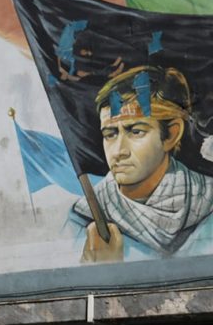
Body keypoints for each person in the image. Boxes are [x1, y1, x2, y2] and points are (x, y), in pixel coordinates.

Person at [71, 65, 213, 262]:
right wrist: (103, 273)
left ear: (171, 134)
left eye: (136, 131)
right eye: (110, 134)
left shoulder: (208, 200)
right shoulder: (83, 220)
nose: (119, 151)